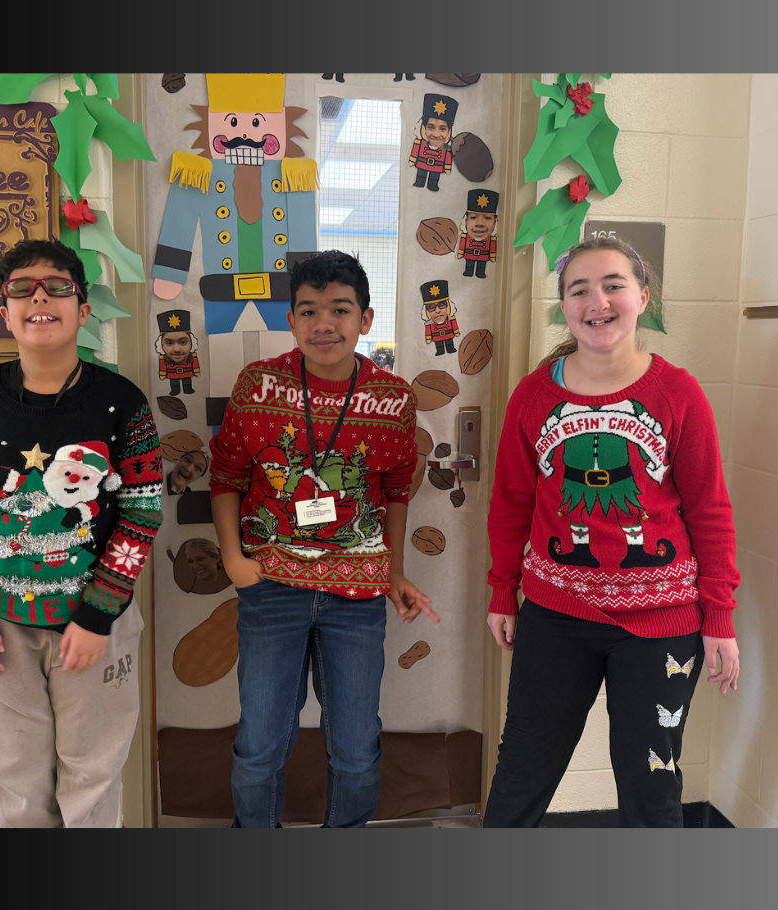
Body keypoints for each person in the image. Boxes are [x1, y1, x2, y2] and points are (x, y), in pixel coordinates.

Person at [483, 236, 740, 828]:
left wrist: (719, 614)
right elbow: (512, 502)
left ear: (642, 298)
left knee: (651, 789)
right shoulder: (533, 395)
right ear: (564, 308)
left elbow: (710, 510)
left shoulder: (679, 393)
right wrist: (502, 590)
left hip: (662, 625)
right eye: (579, 289)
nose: (597, 300)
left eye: (613, 285)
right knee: (520, 776)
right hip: (555, 614)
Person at [0, 238, 163, 828]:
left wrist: (98, 613)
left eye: (58, 287)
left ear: (84, 310)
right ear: (3, 311)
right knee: (15, 778)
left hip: (93, 623)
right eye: (22, 288)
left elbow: (142, 512)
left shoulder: (121, 403)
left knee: (92, 775)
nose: (40, 298)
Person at [209, 250, 439, 827]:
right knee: (260, 743)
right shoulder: (258, 384)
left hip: (356, 598)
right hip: (271, 588)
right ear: (290, 320)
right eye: (308, 310)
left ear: (365, 319)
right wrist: (234, 559)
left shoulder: (393, 399)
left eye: (340, 309)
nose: (323, 324)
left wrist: (393, 573)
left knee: (357, 747)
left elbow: (394, 493)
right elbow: (226, 476)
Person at [408, 93, 457, 191]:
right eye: (430, 127)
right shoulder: (419, 143)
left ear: (449, 132)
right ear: (423, 128)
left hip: (437, 166)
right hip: (422, 163)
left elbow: (448, 158)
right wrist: (412, 160)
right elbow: (415, 151)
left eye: (442, 129)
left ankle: (433, 184)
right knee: (421, 175)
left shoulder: (447, 149)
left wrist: (447, 167)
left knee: (434, 177)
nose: (436, 134)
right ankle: (420, 182)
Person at [155, 308, 200, 396]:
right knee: (174, 383)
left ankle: (188, 388)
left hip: (187, 372)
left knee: (187, 382)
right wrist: (163, 374)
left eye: (183, 342)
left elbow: (195, 364)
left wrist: (196, 371)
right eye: (169, 343)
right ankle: (175, 390)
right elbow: (163, 367)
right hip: (173, 374)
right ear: (161, 345)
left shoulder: (192, 356)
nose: (176, 349)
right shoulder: (163, 359)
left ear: (192, 342)